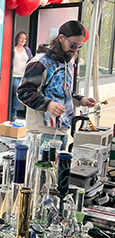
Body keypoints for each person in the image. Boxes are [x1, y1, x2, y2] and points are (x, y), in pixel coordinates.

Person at [17, 20, 96, 149]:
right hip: (42, 132)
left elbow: (64, 91)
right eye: (73, 45)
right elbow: (24, 92)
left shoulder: (67, 62)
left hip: (64, 130)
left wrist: (80, 100)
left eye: (79, 46)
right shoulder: (40, 62)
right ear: (61, 38)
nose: (75, 49)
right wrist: (48, 104)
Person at [10, 31, 32, 120]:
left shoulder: (27, 50)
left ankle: (12, 113)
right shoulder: (13, 49)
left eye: (25, 39)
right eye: (21, 38)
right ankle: (13, 114)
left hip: (23, 76)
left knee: (19, 95)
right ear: (17, 39)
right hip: (14, 75)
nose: (23, 40)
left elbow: (31, 61)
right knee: (16, 93)